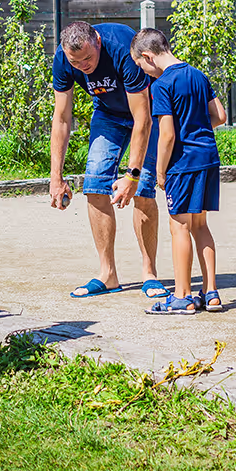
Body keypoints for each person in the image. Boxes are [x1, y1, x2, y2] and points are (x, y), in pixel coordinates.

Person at [49, 20, 162, 299]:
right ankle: (107, 274)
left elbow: (142, 119)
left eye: (88, 58)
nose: (83, 66)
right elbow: (62, 119)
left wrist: (131, 175)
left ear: (97, 41)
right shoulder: (64, 60)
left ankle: (149, 273)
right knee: (95, 185)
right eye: (76, 61)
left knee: (143, 190)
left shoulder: (121, 47)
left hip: (148, 113)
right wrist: (56, 178)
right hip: (108, 114)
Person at [130, 28, 228, 314]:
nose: (144, 72)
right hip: (208, 158)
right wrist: (196, 127)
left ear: (148, 57)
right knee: (200, 225)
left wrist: (160, 171)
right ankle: (211, 293)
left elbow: (167, 135)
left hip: (182, 165)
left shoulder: (161, 85)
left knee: (179, 226)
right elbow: (220, 116)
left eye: (141, 66)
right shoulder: (198, 75)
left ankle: (182, 296)